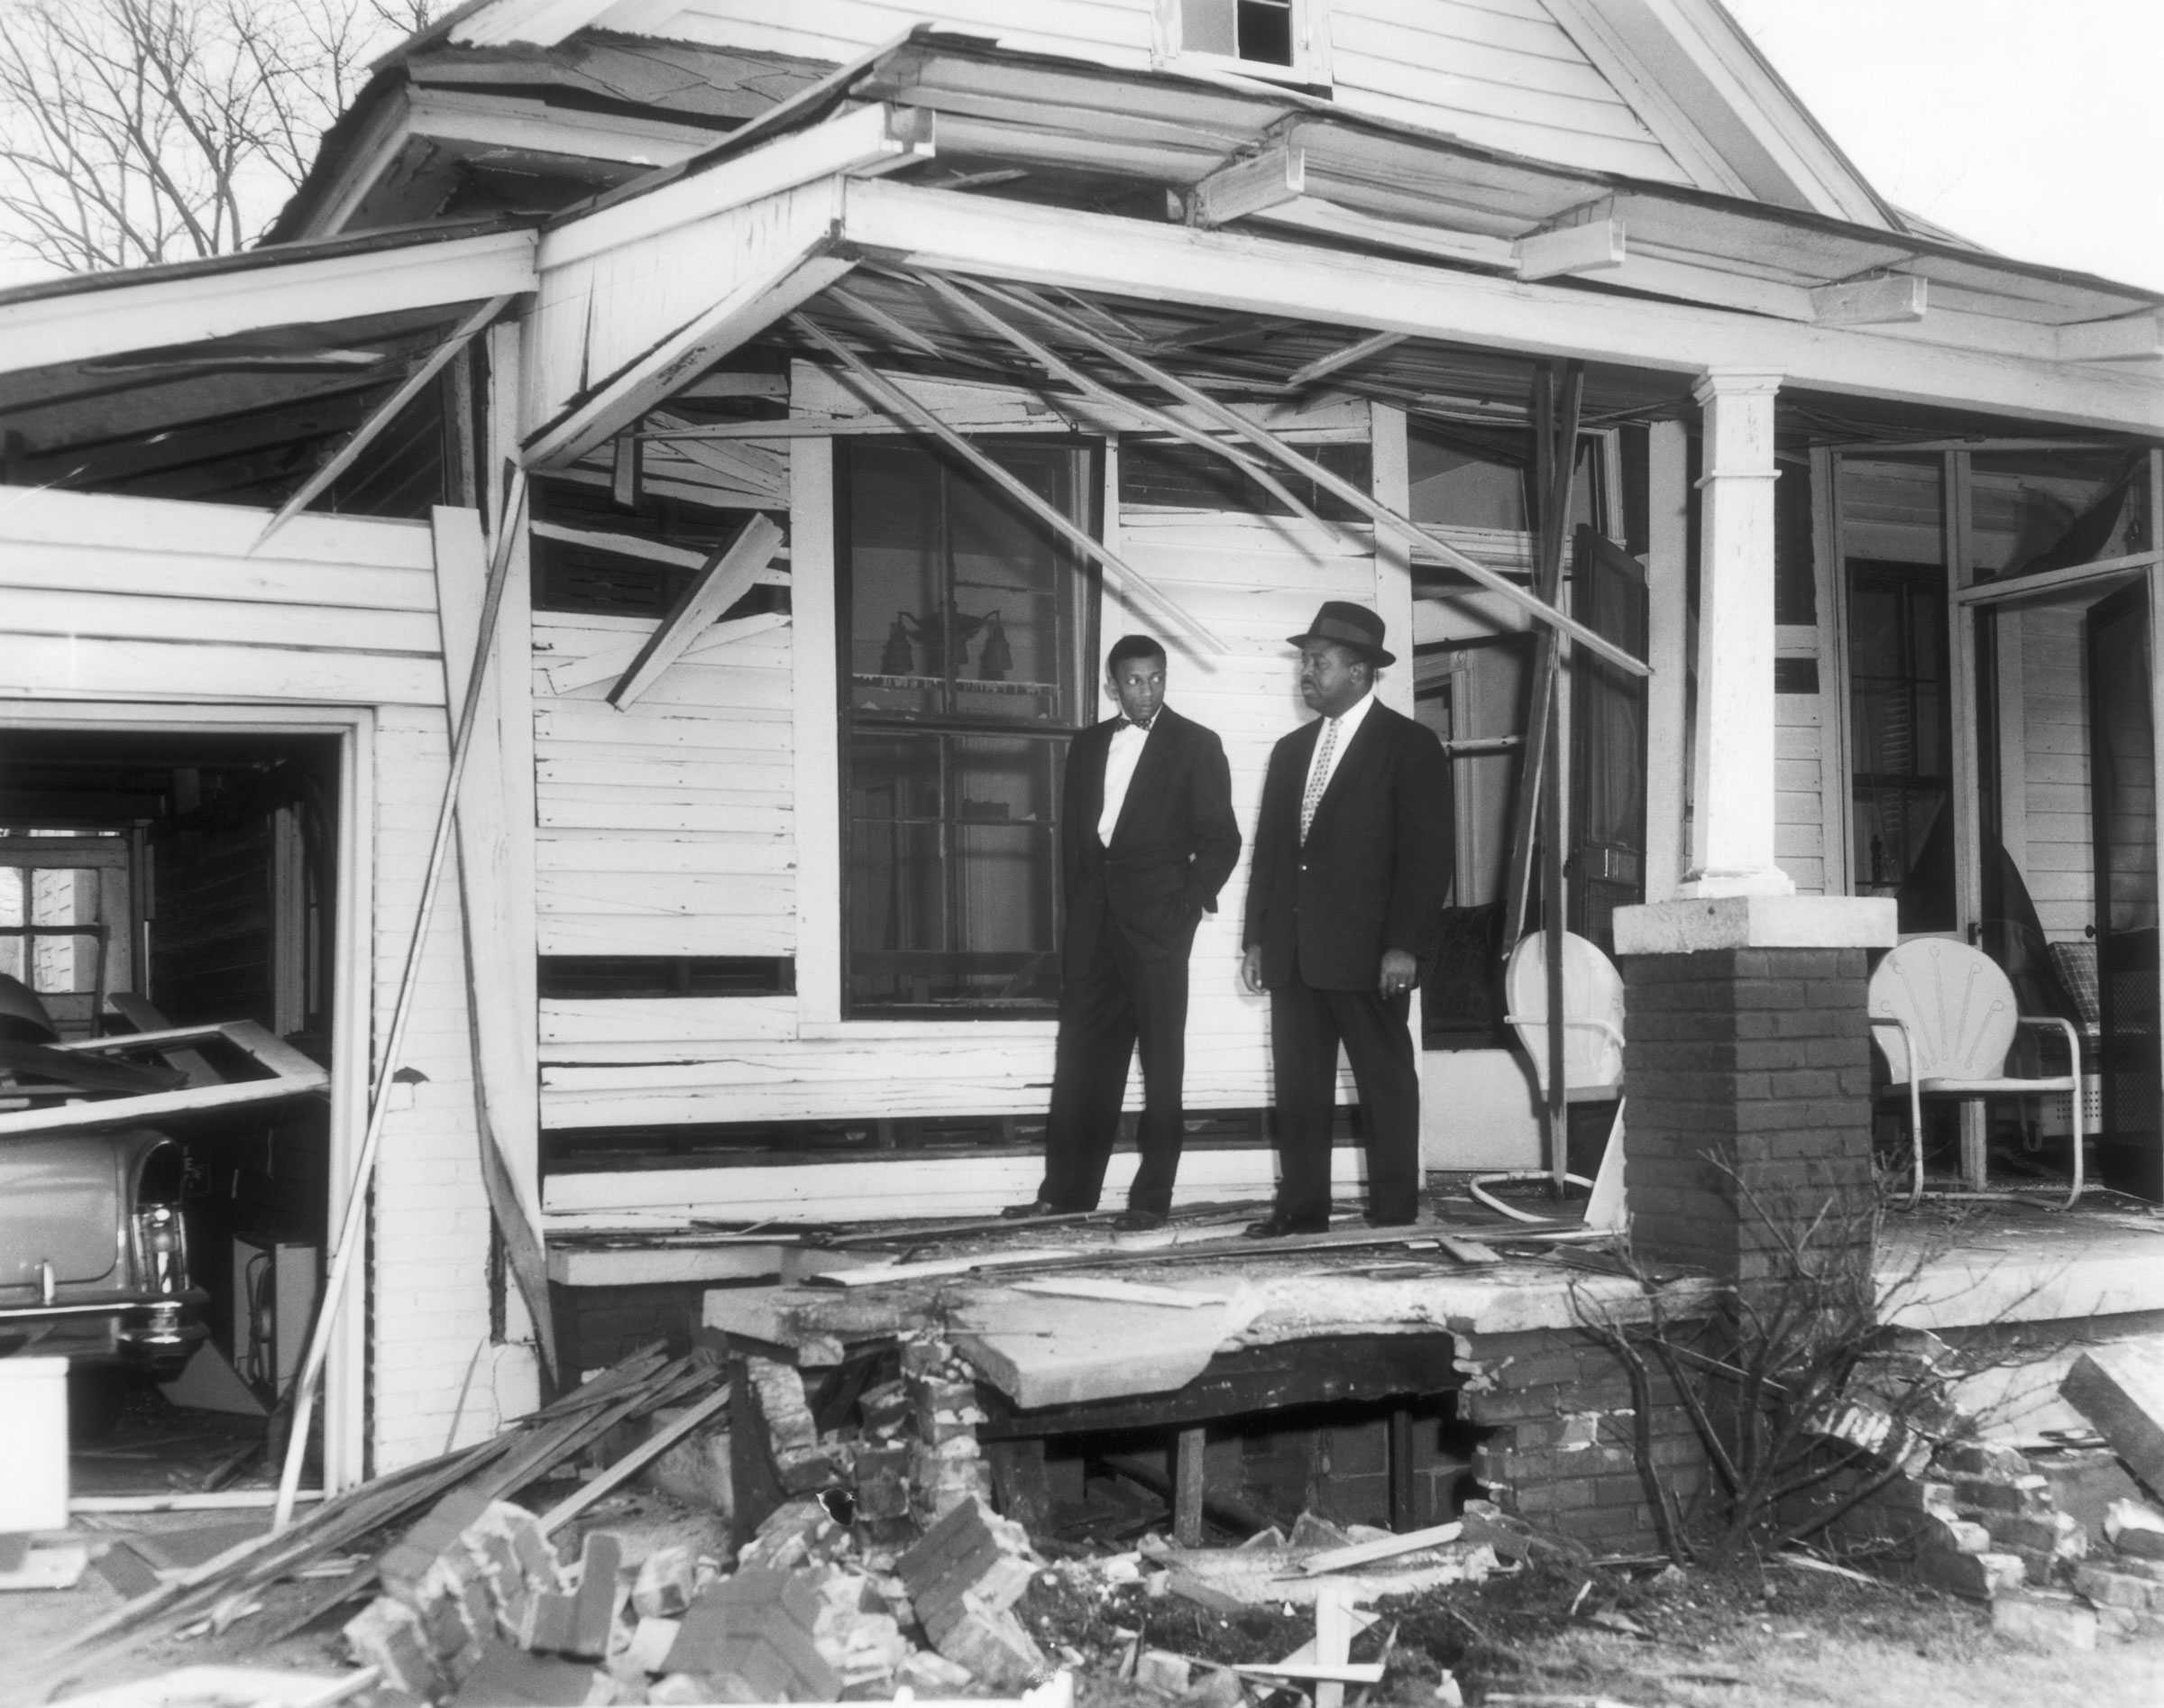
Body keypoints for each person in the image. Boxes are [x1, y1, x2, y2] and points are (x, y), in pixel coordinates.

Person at [1006, 634, 1242, 1232]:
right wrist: (1078, 915)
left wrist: (1183, 908)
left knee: (1163, 1065)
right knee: (1080, 1062)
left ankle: (1151, 1198)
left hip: (1159, 931)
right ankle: (1065, 1193)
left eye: (1156, 678)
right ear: (1112, 685)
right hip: (1093, 931)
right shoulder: (1087, 747)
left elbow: (1222, 841)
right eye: (1134, 681)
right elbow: (1075, 844)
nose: (1147, 691)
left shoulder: (1196, 744)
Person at [1240, 601, 1453, 1236]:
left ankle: (1393, 1213)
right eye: (1305, 662)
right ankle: (1302, 1211)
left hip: (1370, 955)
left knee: (1385, 1083)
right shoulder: (1289, 751)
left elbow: (1426, 855)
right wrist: (1256, 938)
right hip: (1295, 953)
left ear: (1359, 672)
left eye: (1319, 663)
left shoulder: (1409, 746)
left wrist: (1405, 946)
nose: (1305, 674)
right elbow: (1273, 855)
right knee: (1300, 1089)